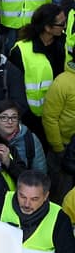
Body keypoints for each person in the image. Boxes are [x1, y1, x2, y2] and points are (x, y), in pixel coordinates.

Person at [10, 4, 67, 128]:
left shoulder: (65, 44)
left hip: (62, 113)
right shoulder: (21, 51)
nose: (65, 27)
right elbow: (15, 89)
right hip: (34, 118)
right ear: (47, 27)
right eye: (61, 24)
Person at [43, 58, 75, 202]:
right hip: (64, 149)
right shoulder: (62, 83)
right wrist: (59, 148)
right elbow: (50, 118)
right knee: (60, 194)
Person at [0, 100, 46, 174]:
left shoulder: (30, 139)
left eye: (14, 117)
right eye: (4, 117)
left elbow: (40, 175)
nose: (10, 122)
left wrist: (9, 163)